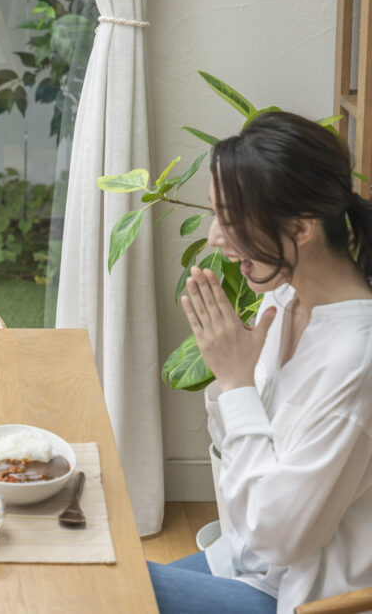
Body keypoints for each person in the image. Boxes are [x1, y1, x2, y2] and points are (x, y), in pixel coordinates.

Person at [148, 111, 372, 614]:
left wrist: (235, 382)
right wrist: (234, 380)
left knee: (94, 588)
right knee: (99, 565)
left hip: (299, 598)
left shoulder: (355, 360)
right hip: (244, 562)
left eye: (229, 219)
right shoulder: (283, 301)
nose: (213, 237)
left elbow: (279, 539)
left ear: (301, 226)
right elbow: (243, 479)